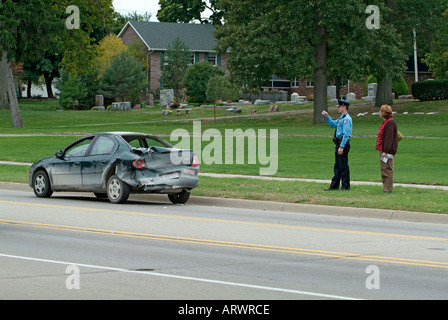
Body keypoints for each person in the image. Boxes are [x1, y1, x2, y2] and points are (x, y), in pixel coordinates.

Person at [322, 100, 352, 191]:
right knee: (337, 166)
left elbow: (346, 135)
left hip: (343, 144)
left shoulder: (346, 119)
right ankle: (334, 185)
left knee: (343, 166)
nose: (338, 108)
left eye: (339, 106)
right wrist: (327, 117)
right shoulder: (341, 118)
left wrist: (342, 146)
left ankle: (346, 186)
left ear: (344, 107)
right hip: (338, 144)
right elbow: (333, 124)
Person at [376, 104, 398, 193]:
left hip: (386, 151)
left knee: (387, 169)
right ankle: (386, 188)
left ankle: (388, 189)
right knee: (384, 169)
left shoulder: (390, 123)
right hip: (382, 148)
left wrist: (385, 151)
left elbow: (389, 138)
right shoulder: (385, 122)